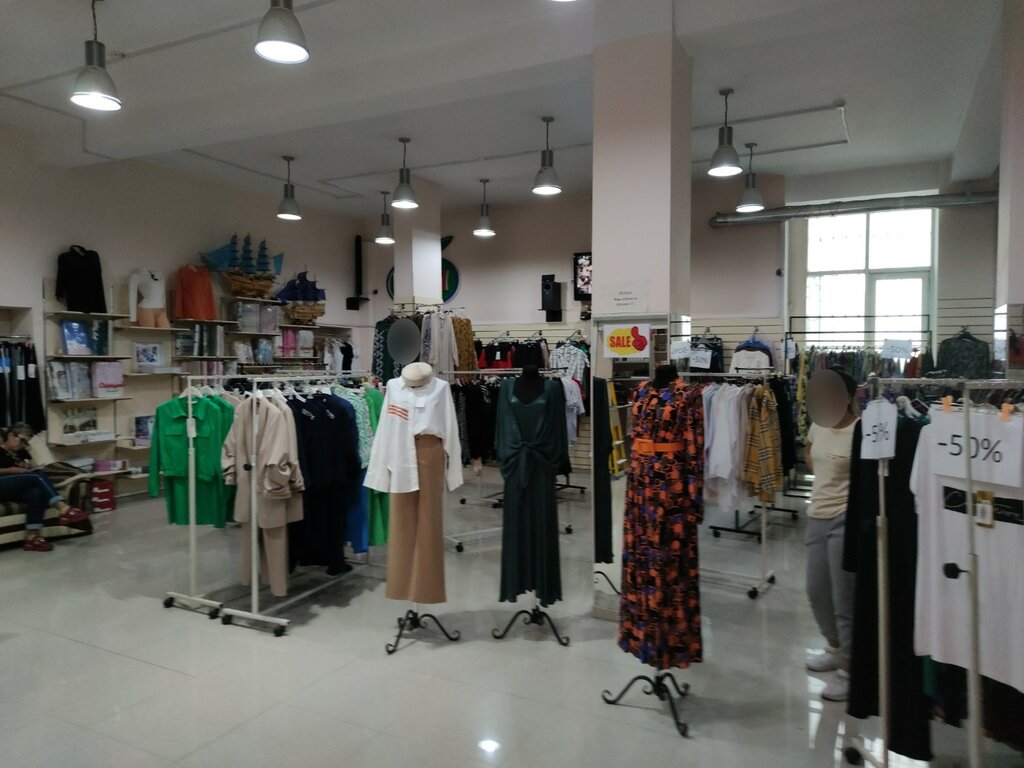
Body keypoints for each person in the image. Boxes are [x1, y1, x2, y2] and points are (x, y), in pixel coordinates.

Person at [803, 367, 859, 702]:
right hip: (816, 514)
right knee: (816, 591)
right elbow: (809, 451)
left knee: (844, 597)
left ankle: (849, 669)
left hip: (845, 518)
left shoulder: (861, 430)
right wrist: (825, 476)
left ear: (849, 397)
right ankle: (835, 648)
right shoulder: (818, 424)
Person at [0, 423, 89, 552]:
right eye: (22, 440)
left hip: (15, 487)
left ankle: (32, 538)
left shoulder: (23, 452)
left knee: (36, 492)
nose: (23, 444)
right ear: (10, 435)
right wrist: (11, 470)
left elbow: (34, 467)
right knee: (36, 476)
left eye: (26, 442)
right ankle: (64, 509)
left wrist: (29, 468)